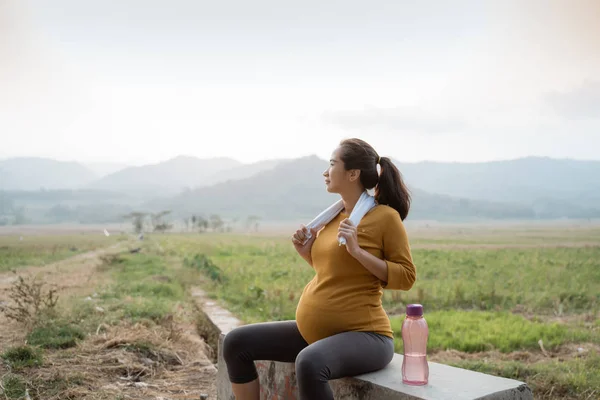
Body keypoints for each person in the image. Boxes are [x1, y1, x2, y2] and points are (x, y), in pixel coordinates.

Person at [222, 138, 417, 400]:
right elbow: (338, 272)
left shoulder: (385, 218)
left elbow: (406, 277)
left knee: (310, 363)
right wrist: (307, 253)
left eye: (332, 164)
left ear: (353, 173)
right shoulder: (334, 217)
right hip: (317, 334)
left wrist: (357, 251)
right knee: (237, 343)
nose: (326, 172)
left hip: (367, 337)